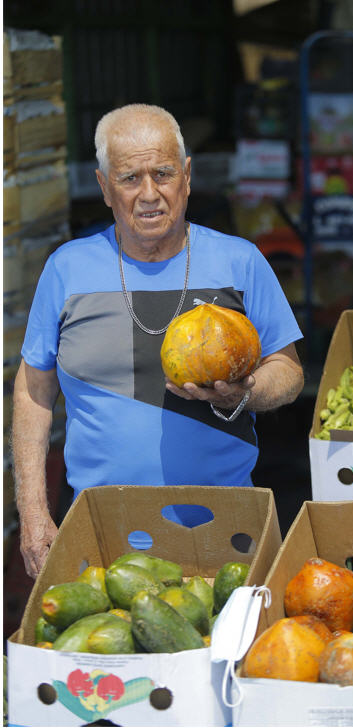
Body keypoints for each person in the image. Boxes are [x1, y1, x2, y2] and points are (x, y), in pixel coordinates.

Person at [12, 103, 304, 578]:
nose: (150, 194)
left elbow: (288, 372)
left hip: (223, 533)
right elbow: (33, 389)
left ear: (186, 177)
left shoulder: (240, 262)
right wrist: (33, 512)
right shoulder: (67, 268)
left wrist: (245, 392)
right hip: (103, 534)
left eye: (163, 174)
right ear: (105, 188)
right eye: (129, 178)